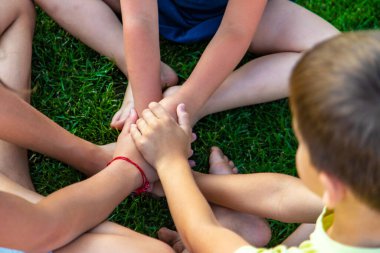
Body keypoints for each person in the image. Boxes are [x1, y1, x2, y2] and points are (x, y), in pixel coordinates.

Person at [130, 31, 380, 252]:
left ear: (332, 185)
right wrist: (191, 180)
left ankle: (237, 229)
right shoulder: (363, 197)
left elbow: (203, 235)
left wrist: (170, 162)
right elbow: (280, 195)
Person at [0, 1, 172, 252]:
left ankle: (21, 202)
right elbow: (45, 228)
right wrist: (128, 168)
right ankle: (22, 210)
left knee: (12, 5)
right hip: (33, 228)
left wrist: (91, 157)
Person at [35, 0, 339, 128]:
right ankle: (137, 63)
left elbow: (236, 31)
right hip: (149, 8)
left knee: (336, 56)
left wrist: (186, 104)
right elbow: (139, 19)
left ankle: (192, 104)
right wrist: (146, 112)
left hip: (230, 12)